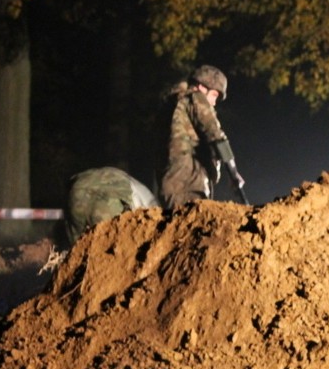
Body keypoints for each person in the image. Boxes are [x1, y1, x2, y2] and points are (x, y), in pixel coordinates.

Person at [159, 64, 236, 209]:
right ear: (201, 87)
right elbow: (215, 134)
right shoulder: (195, 98)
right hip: (190, 183)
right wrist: (233, 172)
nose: (213, 102)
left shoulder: (173, 105)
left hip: (170, 185)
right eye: (214, 95)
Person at [65, 167, 159, 244]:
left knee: (78, 248)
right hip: (110, 197)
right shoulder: (155, 215)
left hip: (75, 189)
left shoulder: (148, 199)